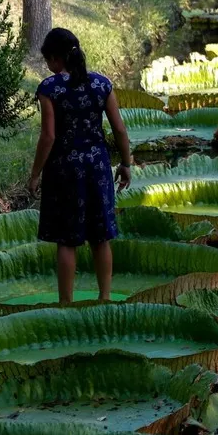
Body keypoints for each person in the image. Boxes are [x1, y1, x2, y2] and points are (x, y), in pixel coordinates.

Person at [28, 28, 132, 305]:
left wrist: (35, 174)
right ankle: (105, 297)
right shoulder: (101, 84)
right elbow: (120, 130)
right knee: (100, 237)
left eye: (48, 60)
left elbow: (48, 136)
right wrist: (126, 164)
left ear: (55, 59)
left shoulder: (49, 88)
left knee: (66, 239)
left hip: (64, 169)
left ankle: (65, 303)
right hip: (98, 166)